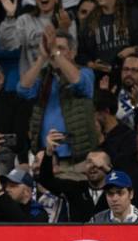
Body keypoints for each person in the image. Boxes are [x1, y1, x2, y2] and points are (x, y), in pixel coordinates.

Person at [18, 32, 97, 163]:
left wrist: (55, 52)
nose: (54, 53)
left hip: (76, 157)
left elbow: (78, 81)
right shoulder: (43, 77)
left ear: (72, 53)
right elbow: (23, 90)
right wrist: (41, 58)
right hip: (46, 157)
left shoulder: (85, 72)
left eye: (61, 48)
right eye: (52, 49)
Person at [0, 0, 77, 76]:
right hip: (30, 79)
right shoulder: (25, 20)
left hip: (59, 78)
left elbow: (73, 53)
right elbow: (7, 45)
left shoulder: (66, 20)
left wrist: (64, 30)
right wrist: (10, 16)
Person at [76, 0, 138, 71]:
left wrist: (134, 49)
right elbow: (81, 54)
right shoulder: (89, 21)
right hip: (101, 76)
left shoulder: (133, 15)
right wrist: (92, 64)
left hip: (130, 74)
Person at [38, 132, 112, 222]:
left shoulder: (116, 191)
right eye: (89, 162)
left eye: (98, 163)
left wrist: (107, 169)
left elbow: (122, 183)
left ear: (108, 166)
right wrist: (48, 152)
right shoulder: (76, 188)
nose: (93, 166)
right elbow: (46, 180)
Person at [113, 55, 138, 128]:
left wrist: (136, 104)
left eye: (134, 70)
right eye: (126, 69)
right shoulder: (113, 90)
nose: (129, 73)